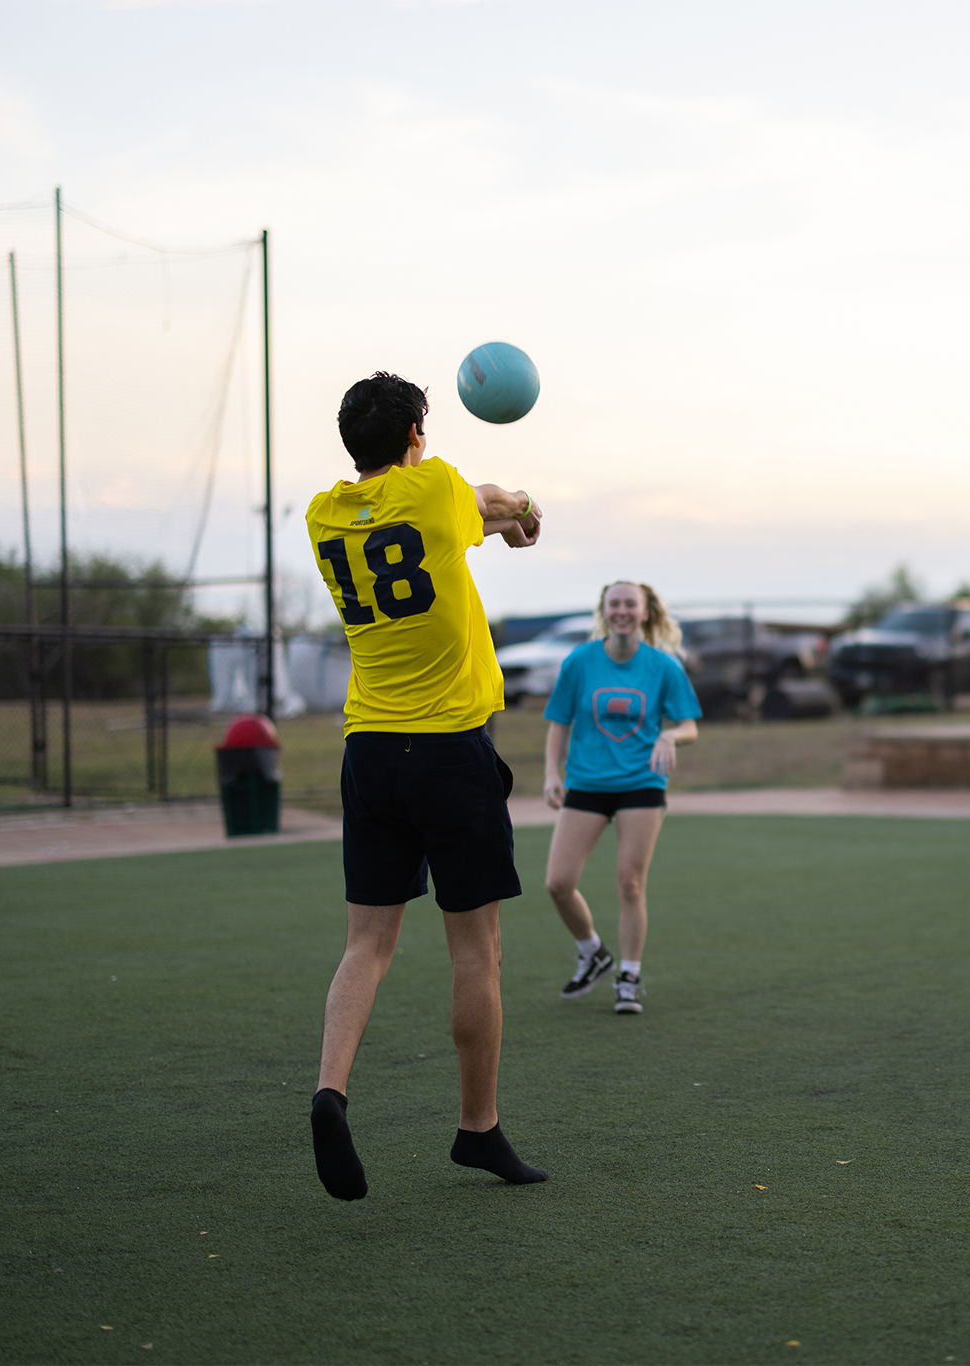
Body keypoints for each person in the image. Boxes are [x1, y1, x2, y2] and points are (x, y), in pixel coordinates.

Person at [303, 371, 548, 1202]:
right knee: (476, 951)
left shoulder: (323, 515)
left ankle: (331, 1091)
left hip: (370, 751)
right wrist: (524, 507)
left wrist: (501, 517)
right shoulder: (438, 488)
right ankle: (478, 1128)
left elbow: (469, 509)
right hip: (448, 753)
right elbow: (492, 498)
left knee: (366, 945)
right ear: (415, 435)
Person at [543, 581, 702, 1014]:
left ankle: (628, 976)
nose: (622, 611)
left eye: (631, 604)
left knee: (630, 882)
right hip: (586, 782)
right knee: (558, 883)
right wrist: (551, 772)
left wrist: (671, 735)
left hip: (641, 783)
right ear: (604, 611)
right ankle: (592, 951)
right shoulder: (580, 661)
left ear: (645, 612)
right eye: (614, 604)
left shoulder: (663, 666)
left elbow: (689, 725)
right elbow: (559, 721)